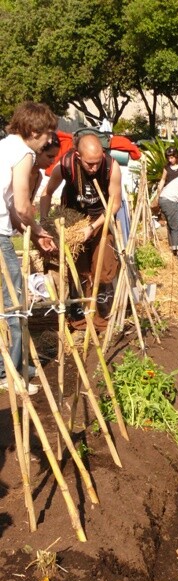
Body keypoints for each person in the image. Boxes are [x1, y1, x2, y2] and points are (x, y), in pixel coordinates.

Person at [0, 101, 57, 393]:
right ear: (34, 130)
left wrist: (32, 234)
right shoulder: (23, 153)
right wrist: (36, 228)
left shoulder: (5, 145)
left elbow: (9, 204)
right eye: (48, 133)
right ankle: (7, 373)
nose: (49, 139)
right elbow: (22, 205)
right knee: (15, 304)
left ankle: (17, 363)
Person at [41, 133, 123, 332]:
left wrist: (92, 228)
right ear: (78, 156)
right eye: (89, 164)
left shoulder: (112, 168)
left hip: (100, 221)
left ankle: (102, 319)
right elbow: (47, 193)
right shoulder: (66, 165)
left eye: (97, 162)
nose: (94, 168)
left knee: (104, 270)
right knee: (79, 272)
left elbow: (115, 204)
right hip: (74, 221)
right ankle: (79, 319)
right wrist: (44, 222)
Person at [29, 133, 60, 201]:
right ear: (38, 151)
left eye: (54, 157)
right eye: (50, 156)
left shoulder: (38, 176)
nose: (53, 161)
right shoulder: (20, 171)